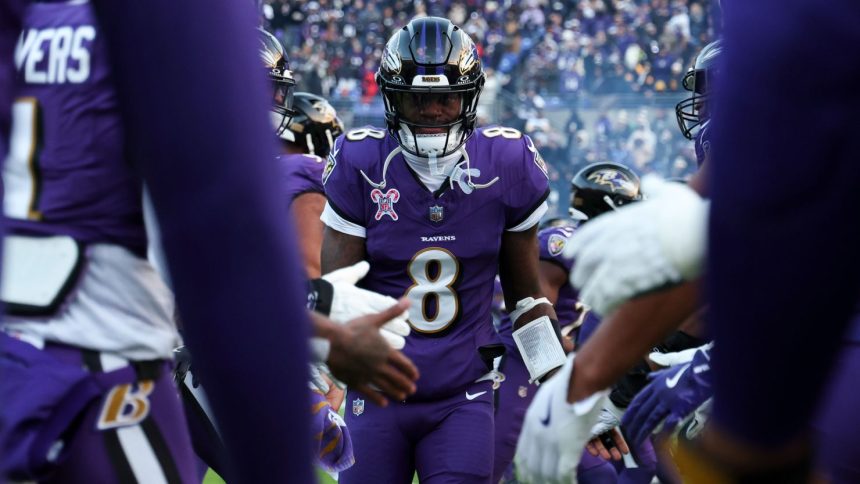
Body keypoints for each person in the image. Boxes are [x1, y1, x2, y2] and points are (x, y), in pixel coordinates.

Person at [0, 5, 417, 482]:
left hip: (20, 352)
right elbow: (215, 257)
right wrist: (323, 318)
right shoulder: (180, 28)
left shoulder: (40, 16)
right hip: (103, 363)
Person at [321, 16, 564, 483]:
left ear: (468, 97)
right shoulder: (360, 162)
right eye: (417, 98)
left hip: (462, 397)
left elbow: (527, 303)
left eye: (445, 97)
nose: (432, 110)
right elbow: (338, 300)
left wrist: (569, 395)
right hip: (375, 393)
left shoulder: (506, 164)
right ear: (394, 99)